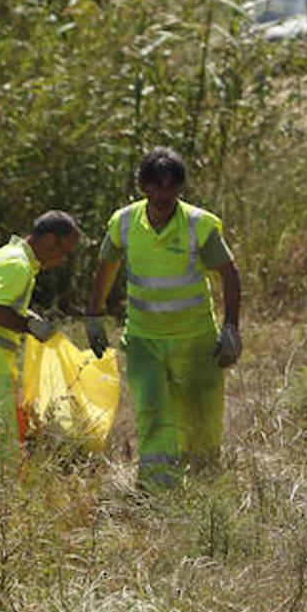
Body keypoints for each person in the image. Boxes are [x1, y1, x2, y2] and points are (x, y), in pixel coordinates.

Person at [86, 148, 243, 488]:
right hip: (145, 341)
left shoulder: (198, 224)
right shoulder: (124, 222)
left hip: (195, 340)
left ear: (180, 189)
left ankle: (205, 486)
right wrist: (94, 316)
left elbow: (228, 273)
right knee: (154, 413)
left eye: (170, 188)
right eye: (155, 187)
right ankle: (159, 490)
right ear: (142, 186)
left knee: (201, 416)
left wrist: (231, 327)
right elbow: (106, 268)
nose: (162, 196)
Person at [0, 211, 83, 461]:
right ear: (49, 239)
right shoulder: (18, 265)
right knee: (4, 436)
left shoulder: (1, 256)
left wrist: (26, 316)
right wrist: (29, 326)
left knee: (4, 427)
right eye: (64, 251)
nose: (63, 259)